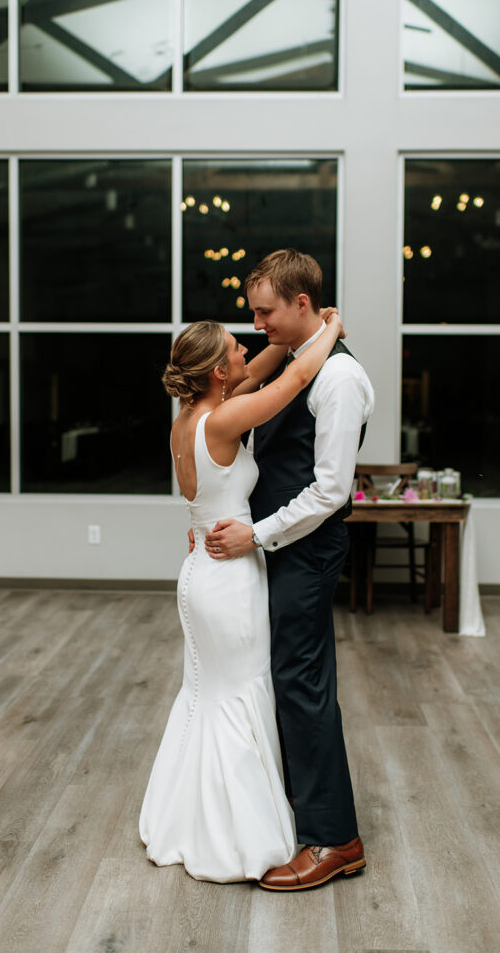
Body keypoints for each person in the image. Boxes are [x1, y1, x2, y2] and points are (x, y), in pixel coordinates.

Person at [139, 309, 347, 883]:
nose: (245, 349)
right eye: (234, 347)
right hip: (230, 576)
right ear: (214, 373)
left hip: (197, 572)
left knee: (207, 692)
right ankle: (238, 832)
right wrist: (330, 328)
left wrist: (287, 341)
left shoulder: (189, 419)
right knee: (238, 695)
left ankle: (187, 815)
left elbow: (259, 371)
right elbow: (293, 381)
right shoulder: (224, 422)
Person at [205, 249, 374, 891]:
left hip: (303, 548)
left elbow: (330, 491)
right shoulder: (302, 364)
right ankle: (304, 810)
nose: (257, 324)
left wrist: (257, 535)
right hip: (277, 546)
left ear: (302, 304)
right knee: (283, 677)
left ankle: (336, 839)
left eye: (266, 311)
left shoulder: (338, 380)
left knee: (302, 683)